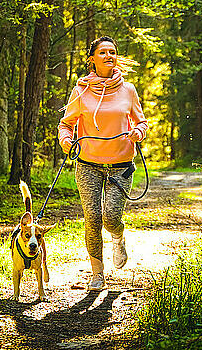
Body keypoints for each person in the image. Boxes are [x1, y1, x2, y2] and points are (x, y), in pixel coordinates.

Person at [57, 36, 148, 291]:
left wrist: (138, 133)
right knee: (93, 217)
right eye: (103, 52)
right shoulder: (81, 91)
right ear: (92, 59)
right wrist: (66, 140)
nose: (109, 55)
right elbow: (66, 124)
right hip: (88, 163)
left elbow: (141, 122)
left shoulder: (128, 90)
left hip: (121, 164)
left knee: (110, 217)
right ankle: (97, 274)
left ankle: (118, 237)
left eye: (113, 52)